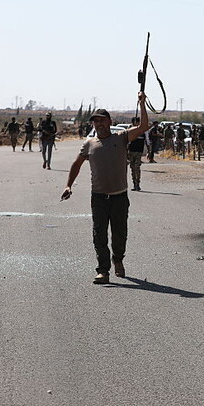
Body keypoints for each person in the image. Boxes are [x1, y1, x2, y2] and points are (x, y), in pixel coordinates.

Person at [62, 94, 150, 284]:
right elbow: (76, 164)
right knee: (98, 235)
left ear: (110, 121)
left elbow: (143, 126)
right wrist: (68, 185)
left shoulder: (121, 137)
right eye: (96, 122)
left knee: (120, 235)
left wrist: (142, 104)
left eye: (102, 120)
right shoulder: (89, 144)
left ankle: (117, 259)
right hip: (99, 198)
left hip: (119, 197)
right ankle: (103, 270)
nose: (99, 124)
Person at [127, 116, 145, 191]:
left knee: (137, 167)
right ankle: (135, 183)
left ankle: (137, 184)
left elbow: (146, 140)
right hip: (131, 151)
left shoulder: (142, 131)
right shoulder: (130, 131)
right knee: (132, 168)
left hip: (138, 152)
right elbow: (126, 142)